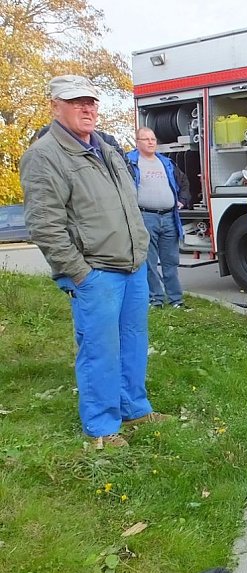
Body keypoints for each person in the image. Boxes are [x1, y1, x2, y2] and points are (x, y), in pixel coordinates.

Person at [19, 74, 169, 449]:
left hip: (132, 267)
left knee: (133, 341)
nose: (87, 108)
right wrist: (81, 275)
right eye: (75, 102)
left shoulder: (106, 147)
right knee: (100, 349)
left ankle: (134, 408)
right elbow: (44, 226)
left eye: (91, 102)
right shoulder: (44, 155)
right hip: (96, 273)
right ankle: (101, 429)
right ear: (55, 106)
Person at [127, 127, 191, 308]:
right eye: (145, 139)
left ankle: (176, 300)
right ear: (137, 142)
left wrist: (182, 200)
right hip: (146, 217)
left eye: (153, 139)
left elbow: (184, 182)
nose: (150, 142)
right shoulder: (129, 163)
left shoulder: (166, 163)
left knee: (171, 261)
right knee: (150, 262)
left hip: (170, 218)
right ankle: (156, 300)